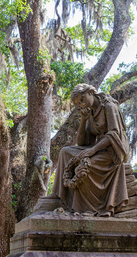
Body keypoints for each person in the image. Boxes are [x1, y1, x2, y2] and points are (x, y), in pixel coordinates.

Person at [51, 84, 130, 216]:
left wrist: (92, 151)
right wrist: (83, 120)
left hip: (113, 151)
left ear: (90, 92)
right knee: (65, 152)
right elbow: (83, 142)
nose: (82, 105)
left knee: (82, 167)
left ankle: (86, 207)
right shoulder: (91, 112)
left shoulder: (109, 106)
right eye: (78, 104)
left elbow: (114, 134)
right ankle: (59, 197)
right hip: (97, 148)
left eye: (82, 100)